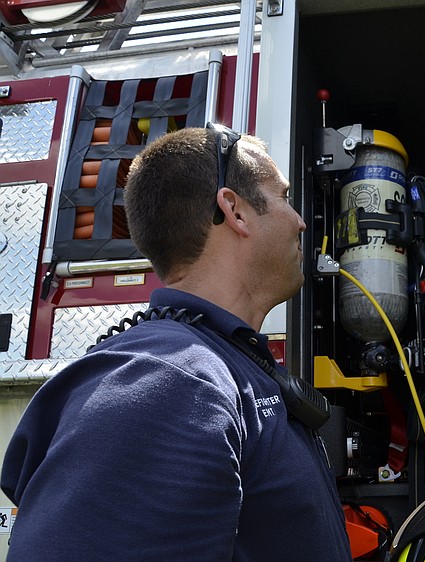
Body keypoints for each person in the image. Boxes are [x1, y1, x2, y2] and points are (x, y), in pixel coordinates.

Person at [1, 125, 353, 561]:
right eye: (283, 197)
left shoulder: (216, 367)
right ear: (235, 210)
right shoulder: (169, 382)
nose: (299, 220)